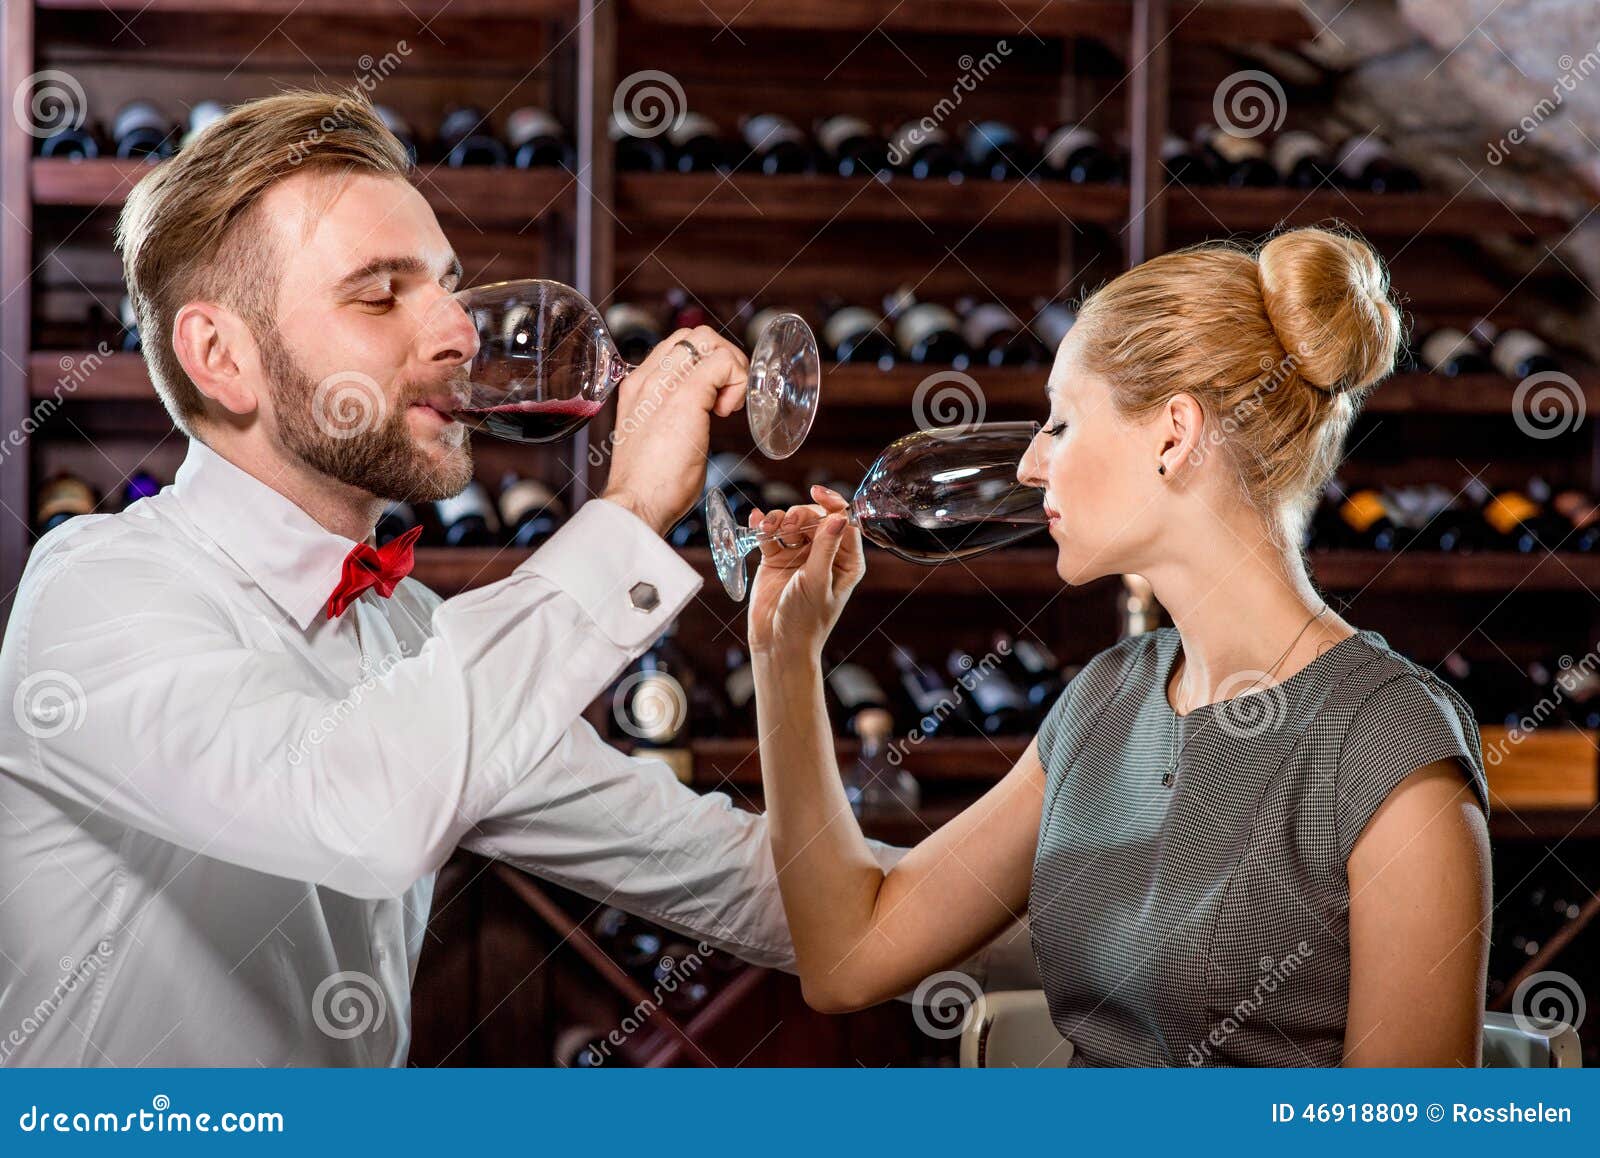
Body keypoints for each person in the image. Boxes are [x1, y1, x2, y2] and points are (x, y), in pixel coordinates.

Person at [0, 89, 927, 1067]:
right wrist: (629, 511)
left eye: (446, 285)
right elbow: (362, 813)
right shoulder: (97, 592)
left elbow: (755, 885)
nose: (460, 332)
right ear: (222, 359)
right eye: (378, 293)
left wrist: (1082, 884)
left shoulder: (413, 635)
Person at [746, 226, 1493, 1067]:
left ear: (1174, 435)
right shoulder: (1107, 700)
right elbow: (847, 957)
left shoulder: (1389, 742)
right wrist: (784, 656)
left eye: (1061, 422)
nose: (1032, 464)